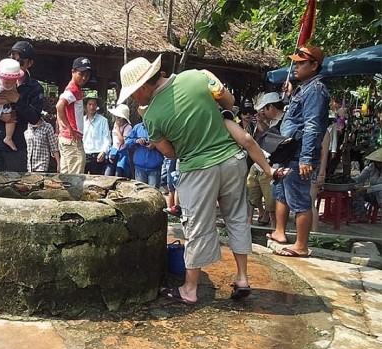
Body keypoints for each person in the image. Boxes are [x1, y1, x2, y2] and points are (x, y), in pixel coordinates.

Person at [116, 55, 285, 304]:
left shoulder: (151, 118)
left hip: (197, 170)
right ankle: (242, 278)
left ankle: (190, 289)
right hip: (231, 161)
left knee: (196, 227)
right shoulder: (197, 76)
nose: (133, 100)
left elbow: (170, 152)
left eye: (132, 94)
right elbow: (229, 101)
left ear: (142, 87)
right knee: (237, 218)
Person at [268, 45, 329, 257]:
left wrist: (305, 158)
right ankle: (280, 232)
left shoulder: (316, 90)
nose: (296, 66)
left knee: (299, 197)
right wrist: (290, 95)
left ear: (314, 66)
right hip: (288, 150)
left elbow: (312, 125)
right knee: (282, 192)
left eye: (301, 63)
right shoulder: (304, 89)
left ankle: (301, 245)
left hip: (299, 152)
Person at [0, 41, 44, 173]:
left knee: (16, 189)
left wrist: (17, 99)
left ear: (30, 63)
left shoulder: (34, 87)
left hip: (16, 148)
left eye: (20, 62)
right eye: (12, 59)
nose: (15, 64)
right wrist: (0, 117)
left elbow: (34, 118)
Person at [249, 92, 286, 227]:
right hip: (261, 164)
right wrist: (260, 120)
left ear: (271, 107)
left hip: (273, 165)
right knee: (253, 194)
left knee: (272, 201)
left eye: (264, 109)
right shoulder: (272, 122)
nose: (263, 112)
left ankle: (276, 228)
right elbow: (265, 134)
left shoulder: (285, 122)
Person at [56, 57, 92, 174]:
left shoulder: (73, 89)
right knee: (76, 176)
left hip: (66, 138)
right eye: (81, 74)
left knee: (66, 175)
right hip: (72, 139)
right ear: (73, 72)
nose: (84, 78)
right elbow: (59, 106)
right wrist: (69, 128)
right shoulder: (73, 90)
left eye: (87, 75)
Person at [124, 107, 164, 187]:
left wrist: (155, 144)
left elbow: (167, 142)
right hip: (139, 167)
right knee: (140, 194)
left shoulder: (159, 127)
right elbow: (127, 142)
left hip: (154, 167)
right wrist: (136, 141)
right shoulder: (137, 128)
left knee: (153, 195)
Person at [81, 93, 111, 175]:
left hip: (97, 156)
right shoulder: (81, 121)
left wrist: (103, 152)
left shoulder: (103, 121)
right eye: (90, 104)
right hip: (83, 155)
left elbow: (107, 139)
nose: (92, 107)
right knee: (81, 181)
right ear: (86, 106)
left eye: (94, 105)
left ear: (97, 106)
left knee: (96, 183)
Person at [350, 147, 382, 222]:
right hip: (373, 194)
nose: (379, 164)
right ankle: (361, 215)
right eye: (377, 162)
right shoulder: (371, 167)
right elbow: (359, 179)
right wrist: (348, 180)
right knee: (357, 191)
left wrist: (367, 188)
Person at [105, 104, 132, 177]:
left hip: (122, 153)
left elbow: (121, 141)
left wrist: (117, 128)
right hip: (113, 151)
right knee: (107, 173)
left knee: (118, 173)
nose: (117, 119)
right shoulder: (115, 124)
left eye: (119, 117)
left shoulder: (128, 127)